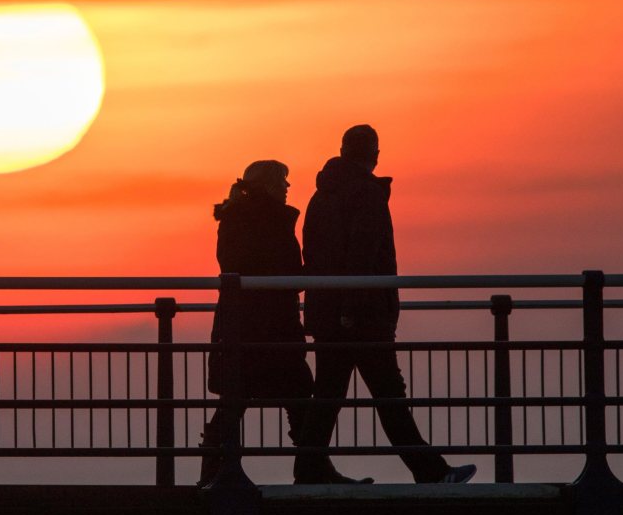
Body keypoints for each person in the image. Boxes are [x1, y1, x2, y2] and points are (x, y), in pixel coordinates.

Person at [295, 125, 476, 484]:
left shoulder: (321, 197)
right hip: (363, 317)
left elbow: (313, 255)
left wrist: (333, 307)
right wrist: (353, 308)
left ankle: (309, 469)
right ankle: (431, 472)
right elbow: (363, 254)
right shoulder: (367, 194)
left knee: (329, 395)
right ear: (374, 154)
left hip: (330, 313)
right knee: (389, 395)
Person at [200, 160, 371, 486]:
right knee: (287, 400)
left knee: (240, 401)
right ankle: (313, 470)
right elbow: (277, 271)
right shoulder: (264, 220)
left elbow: (249, 268)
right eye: (282, 180)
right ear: (267, 184)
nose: (287, 187)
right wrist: (318, 272)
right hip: (266, 328)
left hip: (245, 329)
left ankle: (214, 472)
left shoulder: (239, 217)